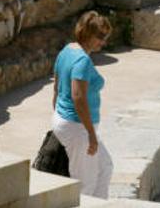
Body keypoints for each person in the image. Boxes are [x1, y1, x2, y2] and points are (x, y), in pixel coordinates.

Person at [51, 11, 113, 198]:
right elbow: (78, 98)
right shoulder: (82, 61)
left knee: (105, 167)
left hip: (70, 124)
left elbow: (56, 87)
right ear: (87, 33)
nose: (103, 42)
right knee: (85, 183)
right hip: (78, 128)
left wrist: (58, 117)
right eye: (100, 37)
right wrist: (91, 135)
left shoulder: (68, 50)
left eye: (105, 37)